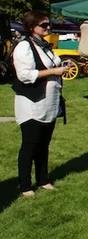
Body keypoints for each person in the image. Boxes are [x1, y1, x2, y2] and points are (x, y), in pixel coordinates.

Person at [12, 10, 68, 197]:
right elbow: (25, 75)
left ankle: (43, 180)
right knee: (30, 144)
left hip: (49, 103)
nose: (47, 27)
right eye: (43, 25)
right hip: (31, 103)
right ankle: (25, 185)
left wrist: (61, 69)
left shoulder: (45, 46)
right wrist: (54, 72)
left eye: (48, 24)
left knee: (44, 144)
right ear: (31, 27)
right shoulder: (24, 46)